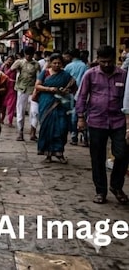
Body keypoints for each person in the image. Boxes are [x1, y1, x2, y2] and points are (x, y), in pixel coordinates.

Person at [76, 45, 129, 204]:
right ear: (97, 60)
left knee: (122, 154)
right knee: (97, 158)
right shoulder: (90, 75)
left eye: (109, 61)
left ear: (115, 59)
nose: (106, 64)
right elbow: (82, 96)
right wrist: (80, 117)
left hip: (118, 121)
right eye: (103, 61)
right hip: (96, 121)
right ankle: (100, 191)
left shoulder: (123, 75)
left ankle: (116, 186)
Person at [35, 53, 77, 163]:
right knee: (47, 127)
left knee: (62, 128)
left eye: (59, 63)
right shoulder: (45, 73)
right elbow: (37, 86)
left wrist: (66, 91)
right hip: (46, 102)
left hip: (60, 104)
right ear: (50, 63)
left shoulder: (65, 75)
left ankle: (59, 152)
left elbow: (73, 86)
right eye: (54, 63)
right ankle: (47, 153)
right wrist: (50, 89)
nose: (57, 65)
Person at [11, 46, 41, 141]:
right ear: (24, 54)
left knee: (34, 112)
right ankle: (20, 132)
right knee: (20, 110)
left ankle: (33, 132)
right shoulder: (20, 62)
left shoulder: (36, 64)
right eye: (27, 54)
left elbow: (39, 77)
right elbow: (11, 69)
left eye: (30, 54)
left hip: (33, 90)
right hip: (21, 89)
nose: (28, 56)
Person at [64, 49, 89, 145]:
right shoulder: (84, 66)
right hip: (83, 93)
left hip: (71, 93)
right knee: (83, 114)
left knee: (73, 115)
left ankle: (74, 136)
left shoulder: (69, 66)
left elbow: (65, 78)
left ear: (71, 56)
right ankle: (85, 137)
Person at [0, 56, 17, 127]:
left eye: (11, 60)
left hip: (12, 89)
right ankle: (2, 118)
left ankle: (10, 121)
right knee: (2, 106)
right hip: (4, 89)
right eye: (8, 60)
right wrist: (3, 65)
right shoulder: (3, 67)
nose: (9, 61)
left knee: (11, 106)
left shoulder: (15, 69)